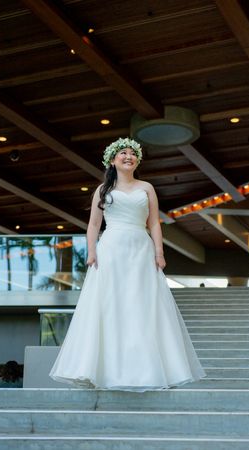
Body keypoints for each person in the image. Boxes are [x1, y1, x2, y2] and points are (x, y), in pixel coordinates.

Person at [50, 137, 206, 391]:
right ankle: (102, 368)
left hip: (141, 250)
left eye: (133, 153)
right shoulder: (102, 191)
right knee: (110, 304)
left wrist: (159, 252)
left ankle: (145, 369)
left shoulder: (147, 188)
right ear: (113, 161)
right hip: (111, 249)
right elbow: (93, 224)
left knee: (141, 305)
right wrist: (91, 251)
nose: (128, 156)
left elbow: (154, 223)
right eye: (123, 152)